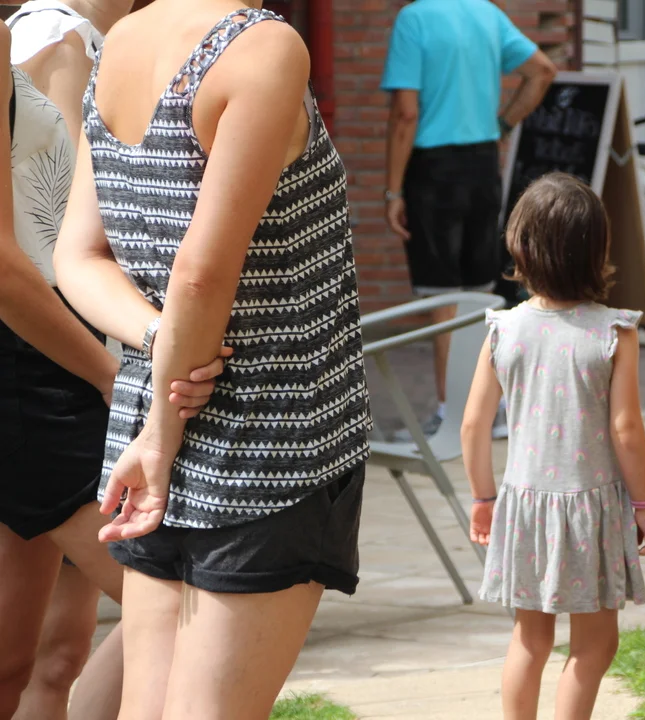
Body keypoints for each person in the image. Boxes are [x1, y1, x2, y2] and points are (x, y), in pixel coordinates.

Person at [51, 1, 371, 717]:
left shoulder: (121, 42)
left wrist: (159, 349)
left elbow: (78, 257)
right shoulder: (262, 48)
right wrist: (162, 436)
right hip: (266, 443)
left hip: (150, 432)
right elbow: (200, 275)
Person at [0, 4, 222, 720]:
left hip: (51, 348)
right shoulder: (52, 35)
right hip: (37, 365)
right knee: (183, 609)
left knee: (24, 660)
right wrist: (109, 374)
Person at [461, 172, 645, 720]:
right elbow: (626, 429)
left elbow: (473, 425)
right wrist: (643, 506)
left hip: (524, 506)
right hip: (589, 511)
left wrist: (483, 498)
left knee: (529, 640)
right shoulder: (614, 332)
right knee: (595, 644)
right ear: (597, 250)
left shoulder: (503, 330)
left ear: (520, 247)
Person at [380, 0, 556, 439]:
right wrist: (504, 125)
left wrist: (393, 190)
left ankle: (452, 415)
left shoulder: (414, 19)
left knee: (442, 299)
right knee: (480, 295)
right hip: (482, 165)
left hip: (433, 171)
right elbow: (542, 71)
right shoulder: (487, 14)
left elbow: (405, 113)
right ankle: (491, 411)